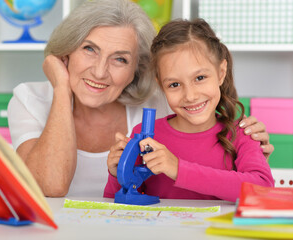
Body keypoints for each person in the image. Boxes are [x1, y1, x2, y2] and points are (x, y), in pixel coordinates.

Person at [7, 0, 273, 198]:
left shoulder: (158, 105)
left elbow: (257, 185)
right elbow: (103, 197)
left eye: (120, 58)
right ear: (66, 51)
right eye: (89, 49)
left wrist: (249, 146)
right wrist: (62, 89)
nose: (100, 71)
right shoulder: (29, 99)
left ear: (138, 69)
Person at [104, 18, 274, 202]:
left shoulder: (242, 133)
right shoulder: (145, 136)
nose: (190, 95)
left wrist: (178, 169)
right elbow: (120, 206)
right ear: (161, 84)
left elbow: (261, 188)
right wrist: (118, 175)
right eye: (174, 84)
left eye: (200, 77)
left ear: (221, 73)